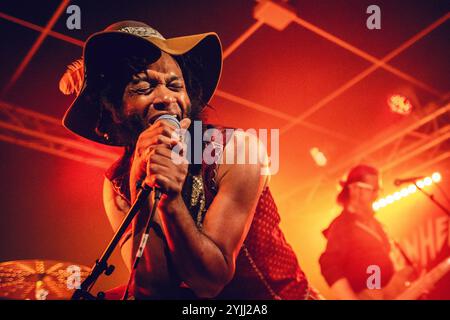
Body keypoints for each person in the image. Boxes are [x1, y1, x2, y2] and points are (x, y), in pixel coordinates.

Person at [60, 20, 317, 300]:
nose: (166, 99)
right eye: (144, 87)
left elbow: (210, 283)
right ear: (115, 110)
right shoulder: (117, 184)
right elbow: (152, 290)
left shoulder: (237, 149)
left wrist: (171, 201)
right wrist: (140, 190)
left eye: (175, 85)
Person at [319, 164, 416, 299]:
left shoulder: (376, 224)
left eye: (378, 190)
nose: (377, 195)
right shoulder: (342, 225)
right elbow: (329, 265)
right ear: (353, 189)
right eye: (373, 189)